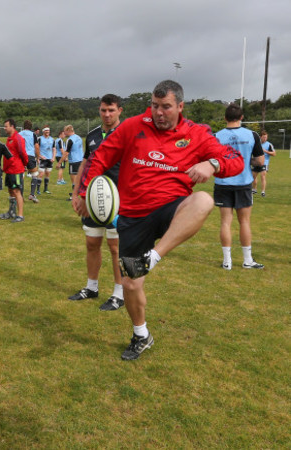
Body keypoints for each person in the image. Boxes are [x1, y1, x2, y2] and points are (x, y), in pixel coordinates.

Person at [75, 80, 244, 361]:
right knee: (131, 284)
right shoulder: (132, 126)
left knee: (203, 200)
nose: (159, 113)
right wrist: (84, 192)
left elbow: (234, 159)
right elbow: (100, 157)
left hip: (171, 209)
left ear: (180, 106)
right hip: (132, 214)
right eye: (155, 106)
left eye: (166, 107)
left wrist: (212, 164)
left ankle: (153, 257)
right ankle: (141, 335)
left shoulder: (196, 133)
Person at [69, 94, 124, 311]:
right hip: (92, 198)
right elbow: (84, 165)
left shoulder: (126, 134)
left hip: (119, 199)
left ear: (120, 110)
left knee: (115, 247)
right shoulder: (92, 136)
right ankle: (91, 287)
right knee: (92, 243)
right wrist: (76, 194)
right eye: (103, 110)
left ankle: (119, 293)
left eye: (111, 110)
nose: (107, 114)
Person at [214, 103, 265, 270]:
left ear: (225, 118)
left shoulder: (216, 136)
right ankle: (247, 260)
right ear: (242, 117)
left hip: (223, 183)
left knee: (225, 223)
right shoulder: (252, 135)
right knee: (244, 222)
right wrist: (245, 160)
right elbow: (260, 161)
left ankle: (227, 261)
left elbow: (212, 160)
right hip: (243, 183)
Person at [2, 118, 29, 223]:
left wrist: (24, 164)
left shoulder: (18, 138)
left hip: (16, 170)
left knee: (17, 191)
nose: (4, 128)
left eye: (6, 126)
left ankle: (20, 215)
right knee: (10, 191)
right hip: (9, 170)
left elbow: (23, 153)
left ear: (12, 126)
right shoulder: (9, 139)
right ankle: (11, 212)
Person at [19, 121, 40, 203]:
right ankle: (31, 195)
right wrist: (38, 157)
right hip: (30, 156)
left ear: (23, 126)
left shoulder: (19, 133)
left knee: (21, 175)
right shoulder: (33, 134)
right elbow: (37, 147)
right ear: (31, 127)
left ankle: (20, 196)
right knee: (34, 174)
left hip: (21, 156)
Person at [251, 130, 276, 197]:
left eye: (266, 137)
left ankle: (263, 192)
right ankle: (254, 189)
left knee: (263, 176)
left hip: (264, 163)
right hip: (256, 162)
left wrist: (265, 151)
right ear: (260, 137)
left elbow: (274, 154)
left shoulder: (269, 144)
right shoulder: (255, 143)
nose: (265, 138)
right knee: (253, 177)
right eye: (264, 137)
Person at [63, 125, 83, 202]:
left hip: (74, 161)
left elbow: (66, 153)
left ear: (68, 130)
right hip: (81, 160)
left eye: (65, 131)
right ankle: (80, 194)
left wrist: (60, 162)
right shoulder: (79, 137)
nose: (64, 132)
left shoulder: (70, 140)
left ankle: (74, 197)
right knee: (79, 179)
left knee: (74, 180)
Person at [37, 127, 56, 194]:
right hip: (42, 159)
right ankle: (38, 189)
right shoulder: (39, 139)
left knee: (47, 174)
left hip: (49, 159)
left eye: (48, 130)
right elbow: (36, 148)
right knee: (41, 174)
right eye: (46, 130)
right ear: (43, 131)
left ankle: (45, 189)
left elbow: (54, 149)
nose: (48, 131)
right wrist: (40, 156)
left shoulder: (52, 139)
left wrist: (53, 157)